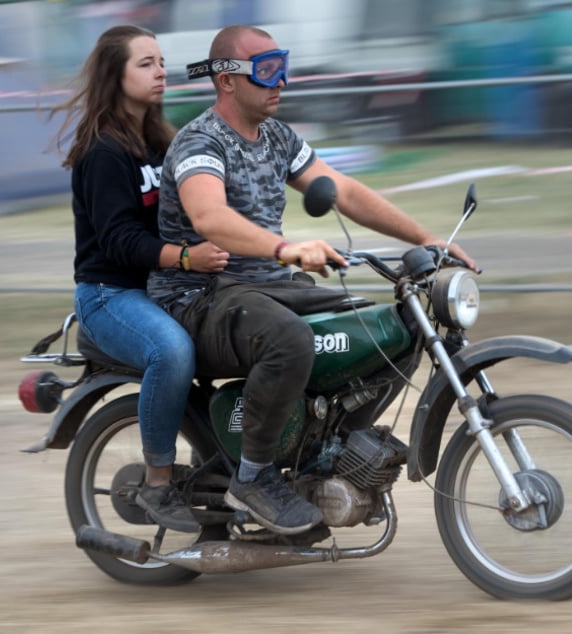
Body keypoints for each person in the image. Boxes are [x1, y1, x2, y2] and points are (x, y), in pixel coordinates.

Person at [147, 24, 477, 536]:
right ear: (228, 80)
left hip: (268, 288)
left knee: (394, 326)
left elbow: (341, 189)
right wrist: (287, 248)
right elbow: (209, 216)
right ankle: (253, 477)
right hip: (201, 296)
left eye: (283, 66)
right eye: (266, 70)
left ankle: (323, 455)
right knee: (290, 340)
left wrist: (427, 239)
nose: (281, 81)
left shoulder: (277, 136)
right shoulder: (200, 141)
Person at [52, 24, 229, 532]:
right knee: (170, 351)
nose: (161, 72)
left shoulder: (161, 140)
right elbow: (118, 241)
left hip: (161, 286)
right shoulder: (104, 152)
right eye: (145, 63)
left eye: (161, 62)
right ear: (116, 74)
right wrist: (187, 259)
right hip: (110, 295)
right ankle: (156, 482)